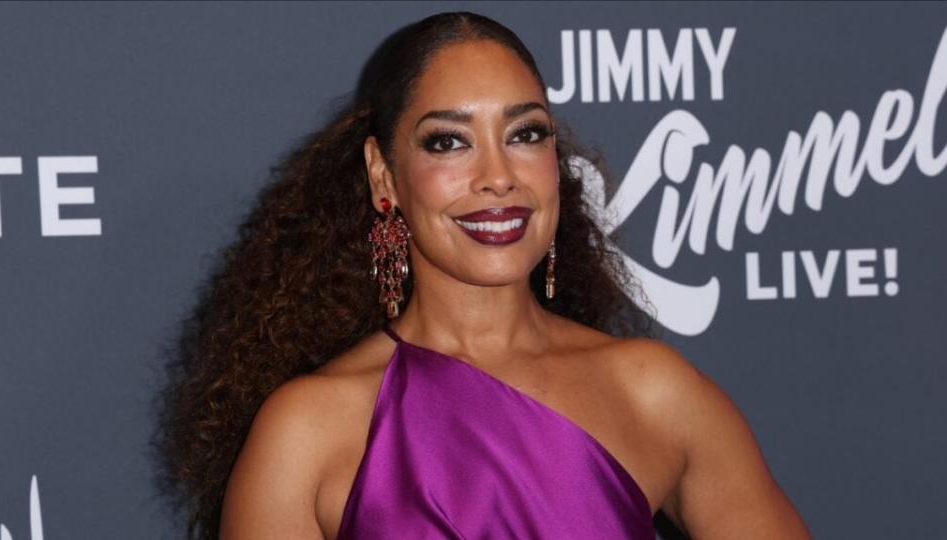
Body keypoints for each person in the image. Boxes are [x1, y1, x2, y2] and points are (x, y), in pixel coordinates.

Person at [156, 10, 812, 540]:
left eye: (526, 134)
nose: (498, 175)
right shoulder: (307, 431)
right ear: (385, 176)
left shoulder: (656, 392)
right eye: (448, 141)